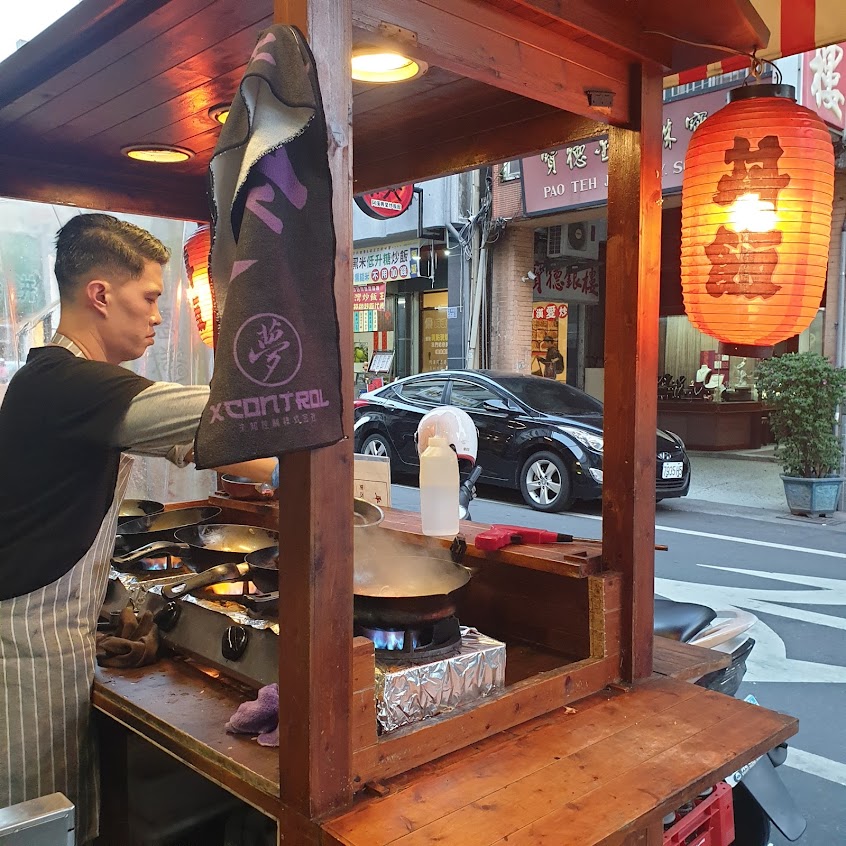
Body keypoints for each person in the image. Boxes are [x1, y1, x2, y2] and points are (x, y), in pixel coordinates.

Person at [0, 214, 277, 844]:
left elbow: (205, 444)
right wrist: (301, 436)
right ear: (100, 294)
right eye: (149, 297)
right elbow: (214, 421)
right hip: (23, 658)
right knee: (39, 828)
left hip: (52, 643)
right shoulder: (66, 383)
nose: (158, 315)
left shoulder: (57, 381)